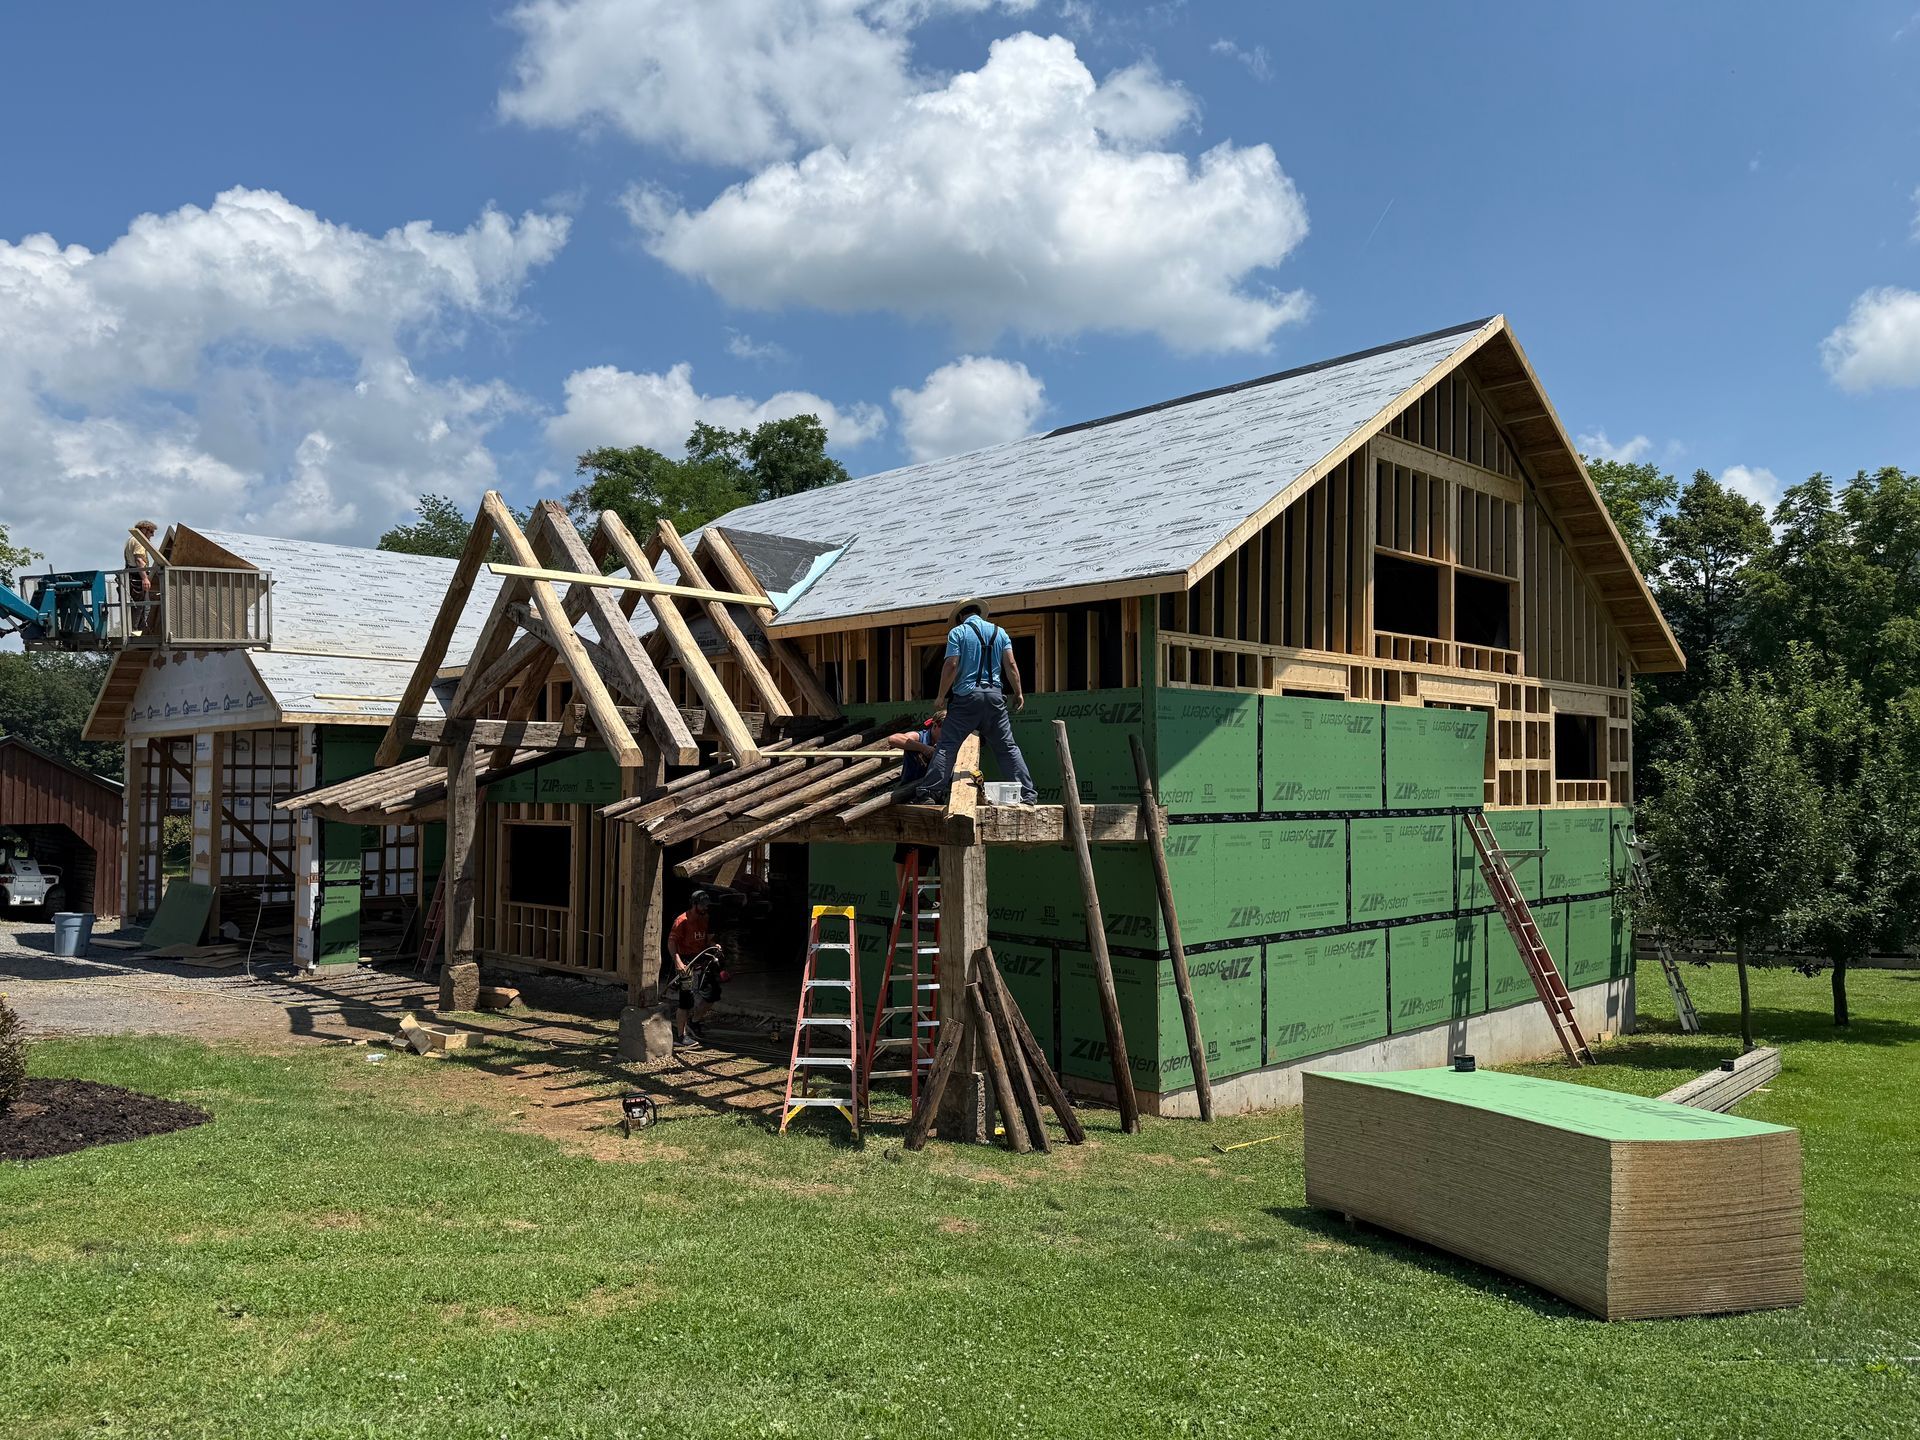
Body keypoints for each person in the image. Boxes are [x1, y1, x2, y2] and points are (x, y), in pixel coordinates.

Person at [909, 599, 1038, 806]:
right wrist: (1019, 693)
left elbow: (951, 665)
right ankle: (1027, 795)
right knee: (1007, 748)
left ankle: (930, 793)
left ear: (960, 616)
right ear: (980, 613)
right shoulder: (1000, 632)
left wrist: (941, 695)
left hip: (966, 699)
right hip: (995, 697)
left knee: (947, 746)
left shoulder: (958, 633)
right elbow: (1011, 665)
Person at [884, 711, 943, 894]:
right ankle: (905, 893)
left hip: (934, 799)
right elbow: (893, 739)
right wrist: (923, 749)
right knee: (905, 846)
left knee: (928, 848)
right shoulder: (920, 736)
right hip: (910, 796)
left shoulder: (949, 740)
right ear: (934, 726)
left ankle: (917, 893)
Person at [661, 890, 723, 1047]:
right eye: (702, 906)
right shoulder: (682, 921)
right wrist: (678, 962)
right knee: (685, 1001)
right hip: (686, 963)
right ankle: (681, 1036)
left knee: (712, 995)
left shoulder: (705, 918)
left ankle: (694, 1022)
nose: (705, 909)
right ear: (694, 904)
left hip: (702, 961)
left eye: (706, 906)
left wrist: (713, 945)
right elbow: (671, 943)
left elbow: (707, 939)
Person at [124, 519, 159, 635]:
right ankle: (136, 632)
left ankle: (135, 631)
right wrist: (144, 578)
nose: (152, 535)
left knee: (136, 606)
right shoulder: (139, 541)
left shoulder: (131, 539)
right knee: (140, 606)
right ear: (144, 530)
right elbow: (139, 560)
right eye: (151, 532)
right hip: (137, 576)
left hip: (131, 574)